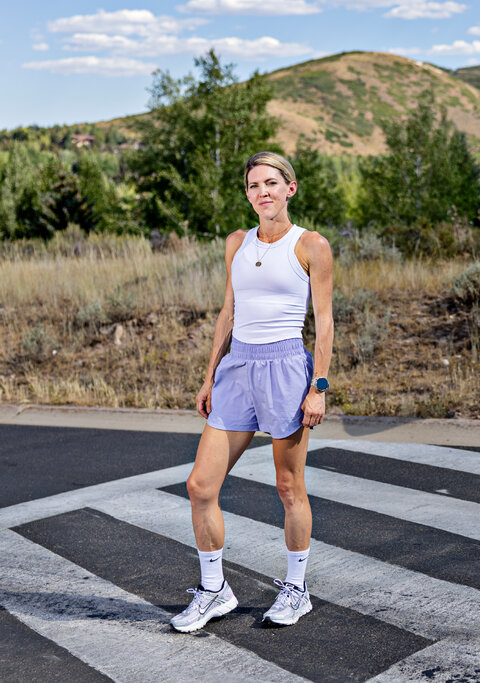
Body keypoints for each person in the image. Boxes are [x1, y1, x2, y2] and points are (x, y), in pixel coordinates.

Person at [170, 151, 334, 633]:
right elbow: (228, 312)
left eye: (270, 183)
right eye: (253, 186)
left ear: (290, 188)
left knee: (288, 488)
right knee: (200, 485)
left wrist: (318, 388)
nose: (261, 192)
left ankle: (297, 590)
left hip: (286, 367)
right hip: (237, 367)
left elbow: (323, 324)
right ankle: (214, 590)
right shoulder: (236, 242)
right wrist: (209, 376)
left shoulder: (312, 246)